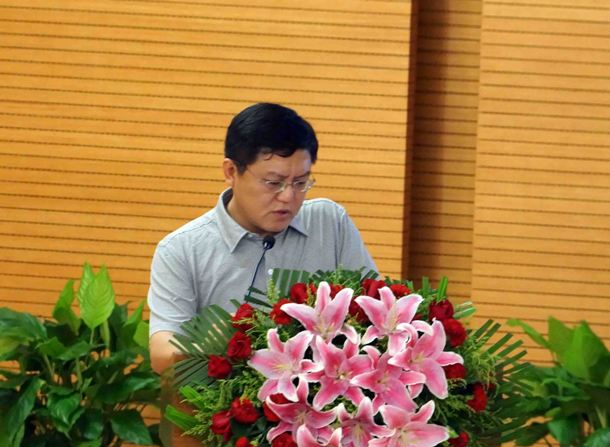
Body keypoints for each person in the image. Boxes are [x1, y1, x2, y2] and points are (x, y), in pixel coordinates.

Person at [148, 102, 377, 374]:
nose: (288, 196)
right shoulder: (182, 249)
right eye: (273, 183)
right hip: (229, 396)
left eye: (300, 182)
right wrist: (210, 343)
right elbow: (161, 354)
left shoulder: (330, 223)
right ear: (231, 172)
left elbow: (375, 307)